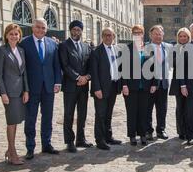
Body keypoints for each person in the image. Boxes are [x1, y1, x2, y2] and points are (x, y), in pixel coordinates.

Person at [19, 18, 62, 160]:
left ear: (46, 29)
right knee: (31, 118)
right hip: (31, 88)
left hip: (48, 87)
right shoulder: (24, 43)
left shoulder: (52, 43)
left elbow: (56, 65)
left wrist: (57, 82)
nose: (40, 30)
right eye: (38, 27)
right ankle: (30, 147)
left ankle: (46, 144)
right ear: (33, 28)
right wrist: (24, 88)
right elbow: (22, 69)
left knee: (47, 117)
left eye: (43, 28)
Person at [0, 24, 29, 165]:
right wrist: (3, 93)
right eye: (11, 34)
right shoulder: (1, 51)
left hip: (20, 91)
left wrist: (26, 90)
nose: (14, 36)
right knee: (11, 122)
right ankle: (13, 153)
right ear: (6, 35)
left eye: (16, 34)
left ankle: (9, 150)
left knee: (16, 121)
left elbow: (24, 72)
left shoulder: (21, 50)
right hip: (9, 92)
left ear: (19, 36)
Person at [59, 20, 93, 153]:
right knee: (69, 114)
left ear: (81, 31)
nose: (76, 32)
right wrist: (78, 77)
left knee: (83, 113)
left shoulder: (86, 47)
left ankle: (81, 138)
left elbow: (90, 65)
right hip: (70, 86)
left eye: (78, 30)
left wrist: (87, 77)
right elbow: (65, 65)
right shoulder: (64, 46)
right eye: (74, 29)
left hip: (84, 86)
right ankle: (69, 141)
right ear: (70, 30)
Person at [90, 28, 122, 150]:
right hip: (101, 88)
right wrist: (96, 88)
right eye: (105, 35)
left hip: (113, 86)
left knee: (109, 113)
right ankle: (100, 140)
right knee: (100, 114)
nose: (108, 37)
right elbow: (94, 72)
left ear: (114, 36)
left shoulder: (116, 50)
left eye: (110, 35)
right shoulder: (96, 51)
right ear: (102, 37)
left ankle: (108, 137)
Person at [121, 25, 153, 146]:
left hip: (145, 87)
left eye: (139, 32)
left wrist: (154, 84)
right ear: (132, 34)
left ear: (143, 34)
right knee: (132, 112)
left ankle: (143, 135)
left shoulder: (148, 49)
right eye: (135, 32)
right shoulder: (126, 49)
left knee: (144, 112)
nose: (137, 34)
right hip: (131, 87)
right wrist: (124, 85)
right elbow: (122, 69)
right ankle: (132, 135)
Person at [146, 25, 171, 141]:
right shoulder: (145, 48)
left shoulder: (167, 48)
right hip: (149, 84)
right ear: (150, 35)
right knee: (148, 108)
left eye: (160, 34)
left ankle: (161, 130)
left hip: (164, 83)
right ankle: (148, 131)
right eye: (155, 33)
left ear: (163, 35)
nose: (158, 36)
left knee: (162, 108)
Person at [169, 28, 191, 140]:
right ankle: (181, 131)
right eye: (181, 36)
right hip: (178, 82)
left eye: (185, 36)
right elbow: (172, 64)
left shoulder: (192, 48)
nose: (183, 38)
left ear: (188, 37)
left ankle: (188, 130)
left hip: (191, 82)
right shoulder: (175, 49)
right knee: (180, 108)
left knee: (189, 108)